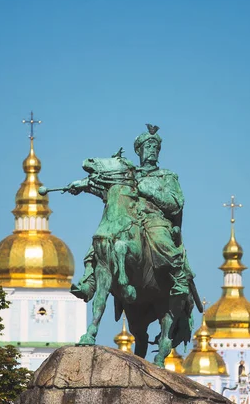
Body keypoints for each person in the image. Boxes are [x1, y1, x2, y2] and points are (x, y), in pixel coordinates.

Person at [70, 125, 193, 303]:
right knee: (99, 244)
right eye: (148, 147)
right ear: (139, 151)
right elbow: (107, 188)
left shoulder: (166, 176)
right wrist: (82, 186)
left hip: (154, 219)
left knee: (161, 241)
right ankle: (89, 280)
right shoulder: (128, 173)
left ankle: (178, 278)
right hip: (127, 219)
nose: (152, 151)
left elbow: (175, 204)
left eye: (155, 147)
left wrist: (149, 191)